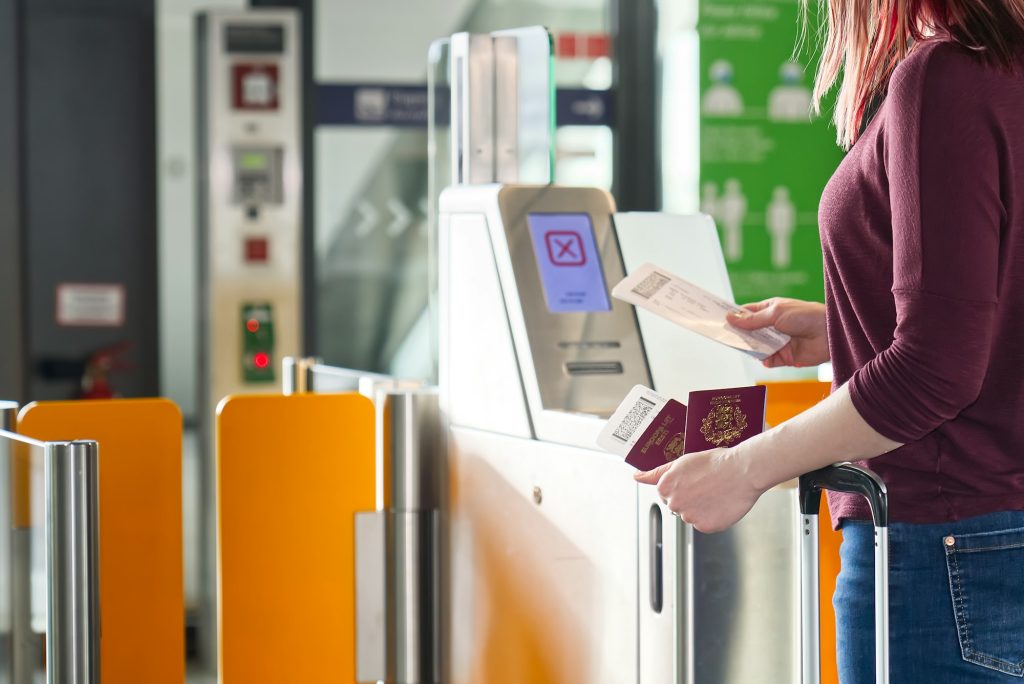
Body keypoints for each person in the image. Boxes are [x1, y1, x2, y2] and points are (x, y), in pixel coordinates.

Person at [636, 1, 1024, 681]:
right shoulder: (1007, 71)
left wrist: (744, 469)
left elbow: (934, 372)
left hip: (945, 550)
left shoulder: (946, 77)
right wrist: (845, 321)